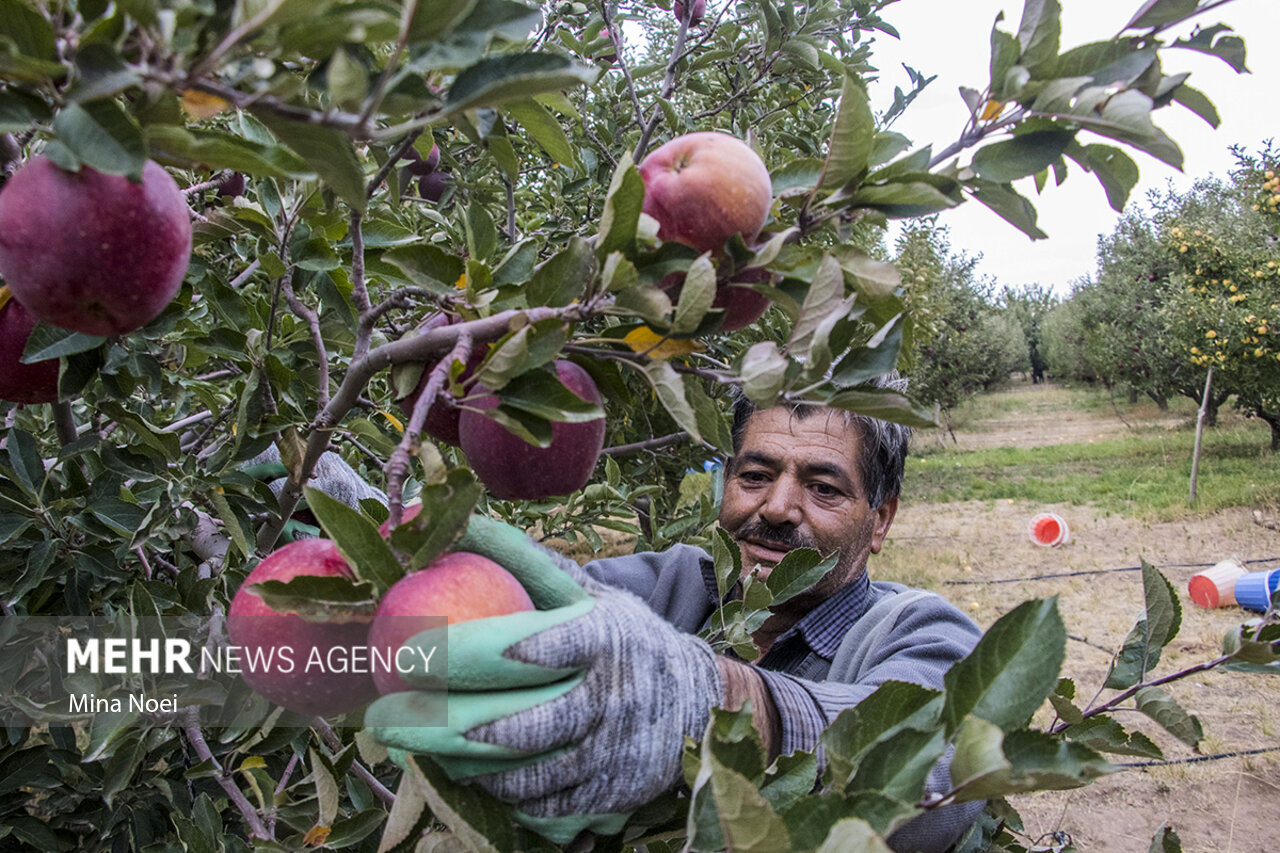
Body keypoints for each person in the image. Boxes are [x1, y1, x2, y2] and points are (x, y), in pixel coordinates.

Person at [366, 378, 985, 852]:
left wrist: (716, 703)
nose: (777, 507)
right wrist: (358, 533)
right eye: (755, 475)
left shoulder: (922, 632)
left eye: (824, 488)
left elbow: (944, 762)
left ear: (880, 520)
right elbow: (504, 606)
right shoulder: (665, 585)